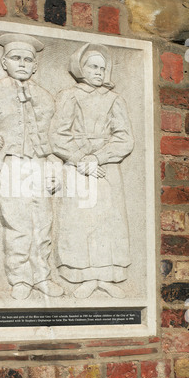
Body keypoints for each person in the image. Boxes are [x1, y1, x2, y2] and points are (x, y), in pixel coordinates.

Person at [0, 33, 63, 300]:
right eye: (16, 58)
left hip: (39, 166)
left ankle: (42, 277)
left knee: (42, 225)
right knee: (17, 227)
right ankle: (20, 280)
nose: (22, 64)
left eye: (28, 60)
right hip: (10, 166)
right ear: (4, 62)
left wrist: (53, 166)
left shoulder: (45, 96)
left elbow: (54, 134)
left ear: (35, 66)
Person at [50, 43, 134, 299]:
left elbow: (125, 138)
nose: (99, 71)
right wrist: (79, 159)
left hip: (106, 167)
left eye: (102, 67)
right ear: (80, 67)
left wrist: (98, 158)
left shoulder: (113, 99)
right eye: (93, 66)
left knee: (107, 221)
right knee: (79, 221)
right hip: (76, 168)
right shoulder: (69, 95)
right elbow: (57, 135)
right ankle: (82, 276)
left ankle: (105, 277)